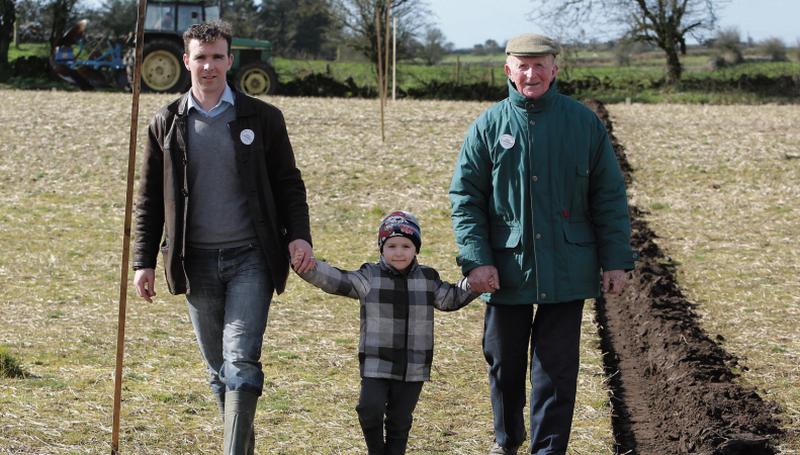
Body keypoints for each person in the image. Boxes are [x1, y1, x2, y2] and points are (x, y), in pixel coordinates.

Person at [448, 33, 637, 455]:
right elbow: (465, 198)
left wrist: (615, 260)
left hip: (568, 265)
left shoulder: (582, 123)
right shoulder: (489, 126)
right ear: (508, 70)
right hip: (505, 268)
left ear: (555, 69)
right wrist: (476, 260)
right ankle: (507, 440)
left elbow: (608, 195)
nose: (531, 74)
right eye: (523, 65)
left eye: (540, 65)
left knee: (556, 370)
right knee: (504, 363)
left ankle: (548, 450)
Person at [131, 21, 314, 455]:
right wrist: (143, 260)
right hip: (195, 263)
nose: (209, 66)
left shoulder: (263, 118)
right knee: (219, 371)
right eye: (200, 57)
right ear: (186, 61)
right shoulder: (166, 122)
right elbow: (148, 200)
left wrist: (299, 236)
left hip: (252, 257)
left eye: (217, 57)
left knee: (241, 360)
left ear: (230, 60)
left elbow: (289, 183)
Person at [294, 211, 478, 455]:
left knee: (400, 421)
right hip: (376, 363)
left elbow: (450, 299)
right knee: (368, 409)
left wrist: (475, 284)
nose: (398, 252)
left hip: (413, 367)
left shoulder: (427, 278)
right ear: (381, 248)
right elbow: (337, 279)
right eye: (391, 246)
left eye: (406, 245)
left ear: (416, 249)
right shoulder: (370, 276)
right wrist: (309, 268)